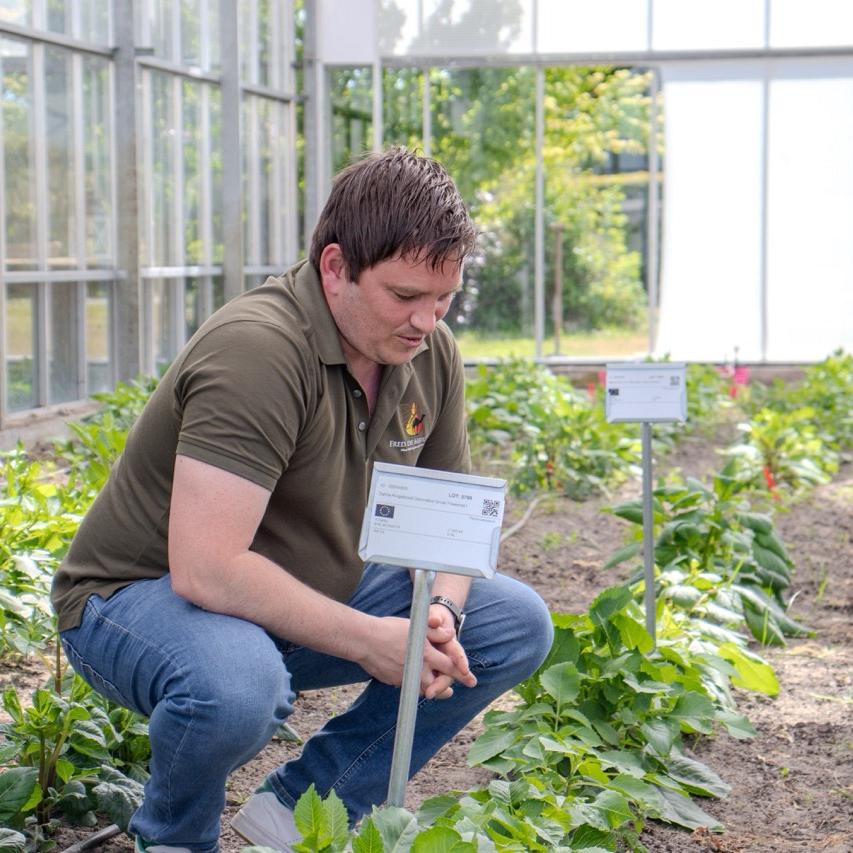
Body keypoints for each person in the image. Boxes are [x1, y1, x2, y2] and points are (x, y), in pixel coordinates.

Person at [51, 148, 553, 853]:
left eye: (444, 297)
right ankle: (174, 838)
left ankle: (301, 808)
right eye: (405, 295)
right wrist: (372, 639)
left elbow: (451, 522)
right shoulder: (257, 351)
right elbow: (206, 569)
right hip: (139, 599)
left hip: (290, 594)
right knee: (237, 685)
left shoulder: (427, 353)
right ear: (335, 267)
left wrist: (438, 613)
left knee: (512, 624)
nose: (426, 319)